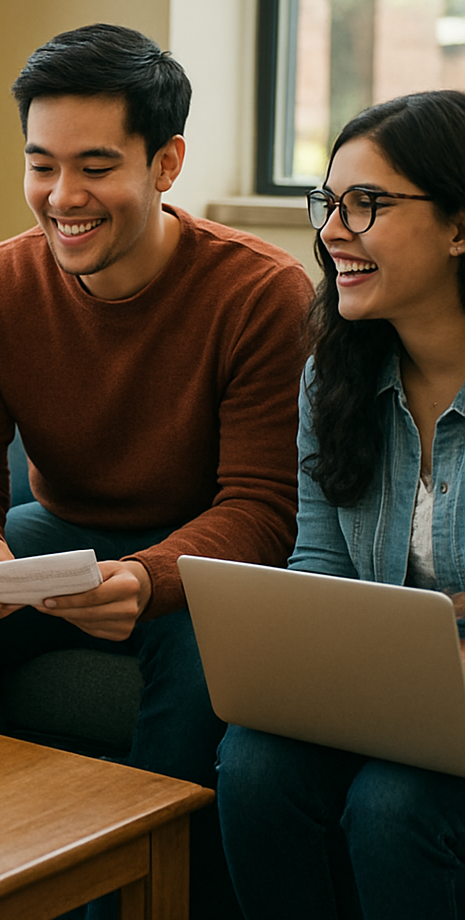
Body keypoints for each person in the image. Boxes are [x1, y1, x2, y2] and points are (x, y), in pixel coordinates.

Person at [0, 23, 315, 918]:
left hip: (208, 554)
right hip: (55, 533)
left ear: (165, 163)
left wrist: (149, 575)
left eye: (95, 167)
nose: (62, 197)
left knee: (210, 639)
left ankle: (140, 901)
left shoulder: (260, 294)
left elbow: (262, 505)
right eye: (41, 165)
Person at [217, 90, 465, 919]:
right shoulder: (334, 374)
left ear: (461, 226)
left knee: (394, 803)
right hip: (403, 694)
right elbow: (319, 567)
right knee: (254, 760)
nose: (331, 232)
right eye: (331, 203)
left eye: (368, 205)